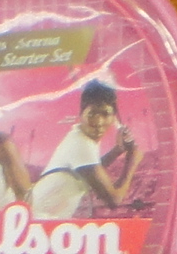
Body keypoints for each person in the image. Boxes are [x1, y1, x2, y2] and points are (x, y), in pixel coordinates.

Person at [28, 81, 136, 219]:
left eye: (105, 114)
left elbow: (91, 171)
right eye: (92, 114)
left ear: (113, 117)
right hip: (39, 219)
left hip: (43, 218)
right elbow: (113, 200)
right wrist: (133, 160)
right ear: (81, 114)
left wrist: (117, 150)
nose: (98, 122)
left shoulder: (80, 136)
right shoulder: (81, 144)